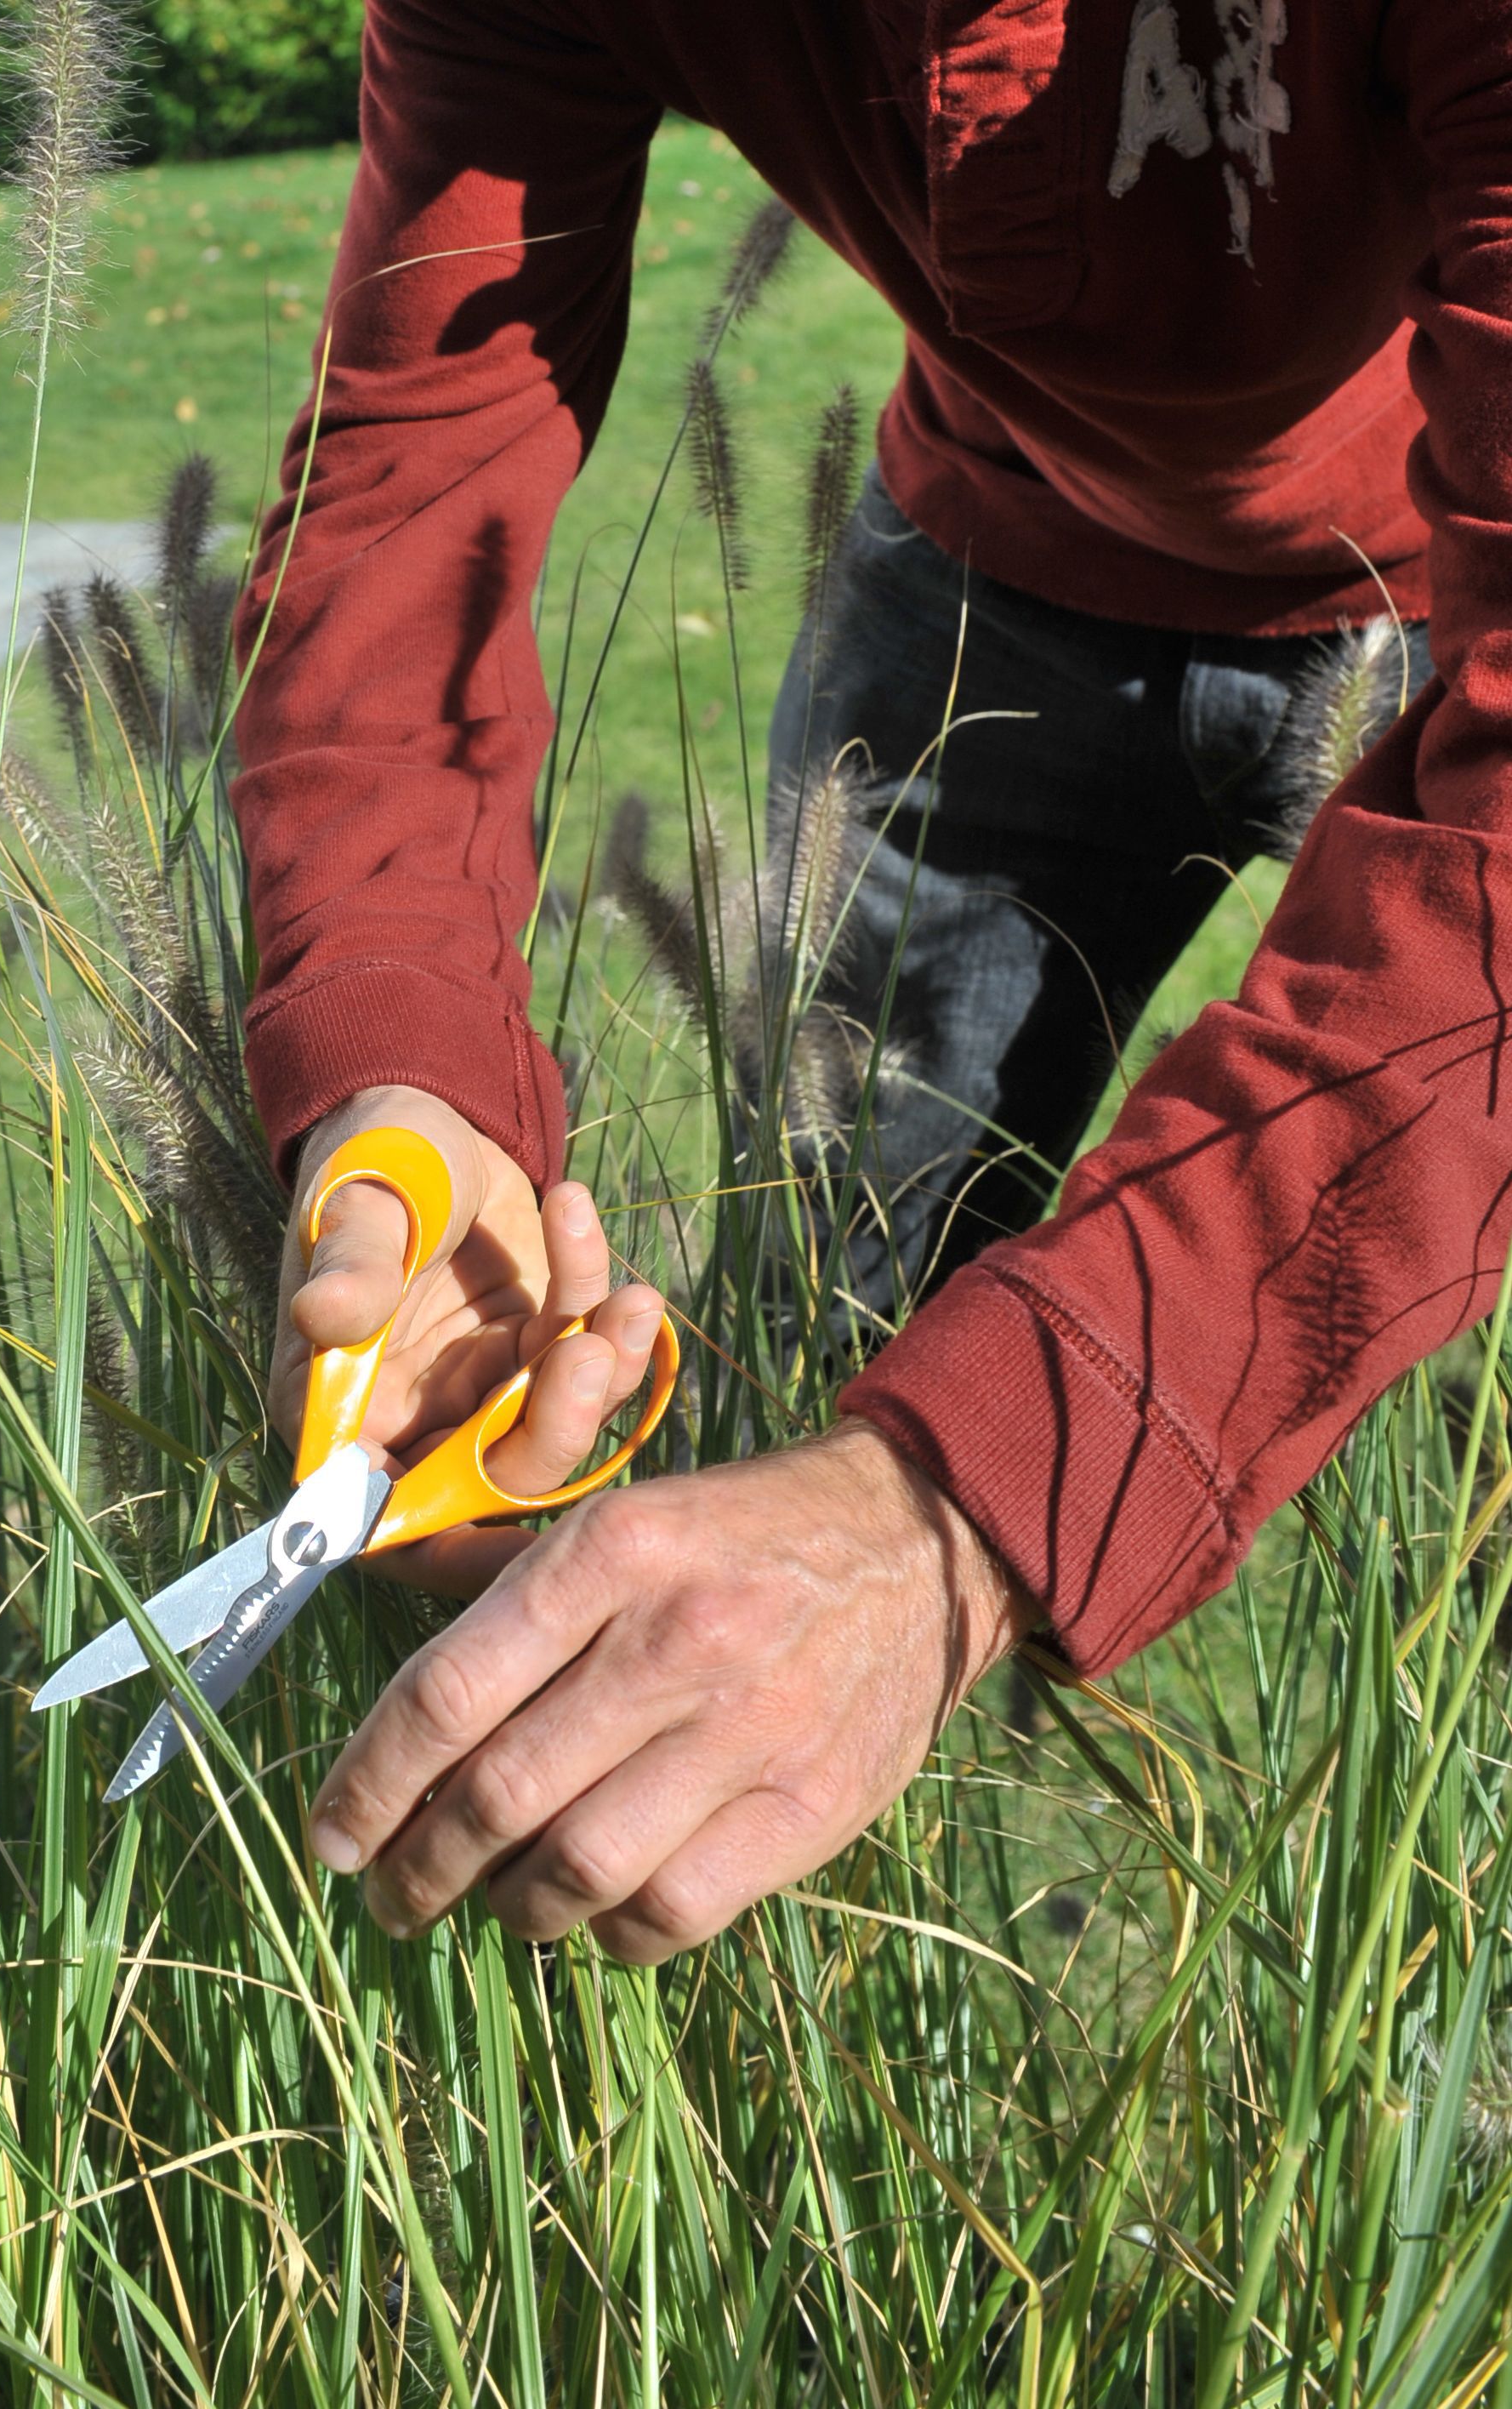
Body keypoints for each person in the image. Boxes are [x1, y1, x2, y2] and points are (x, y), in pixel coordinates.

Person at [228, 0, 1512, 1963]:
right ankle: (834, 2012)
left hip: (1455, 587)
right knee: (823, 1319)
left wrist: (950, 1509)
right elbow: (413, 475)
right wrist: (400, 1078)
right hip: (991, 578)